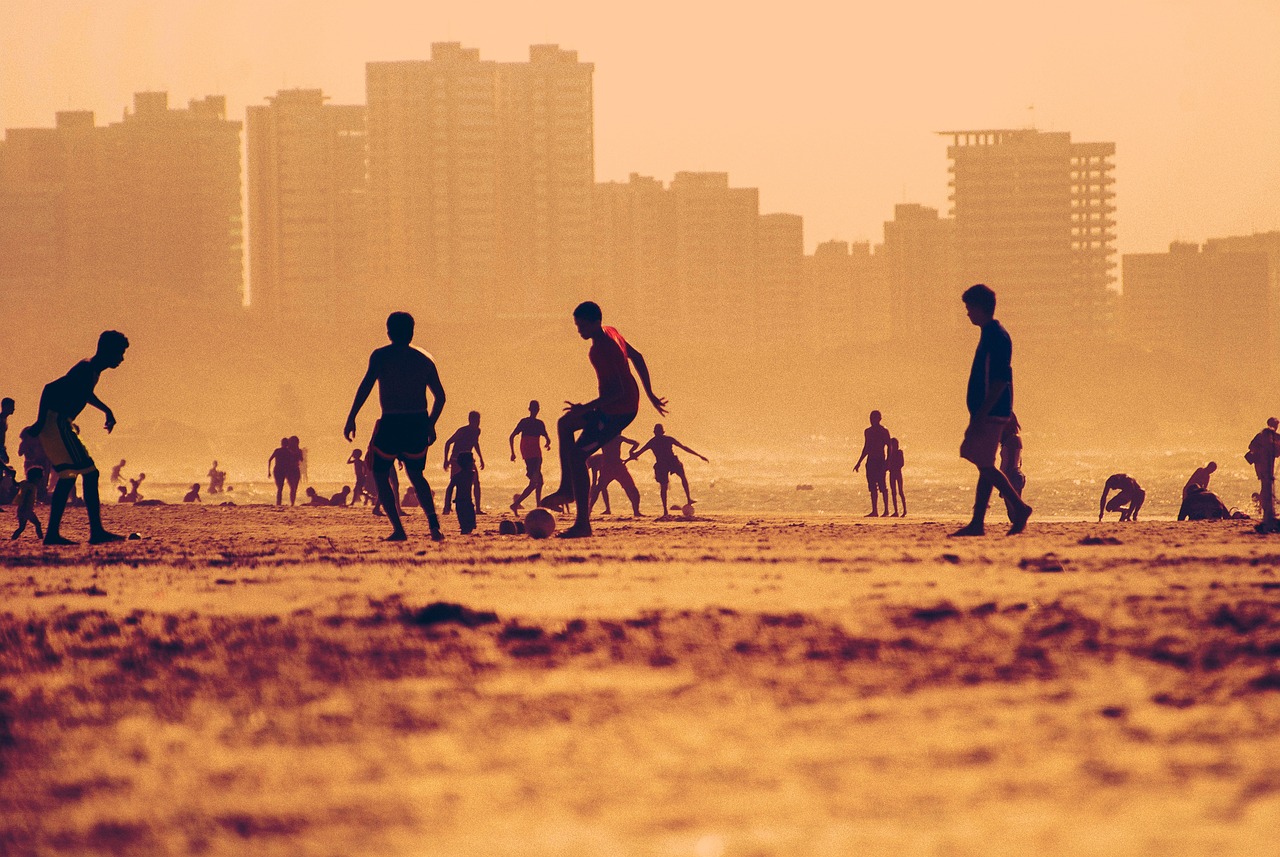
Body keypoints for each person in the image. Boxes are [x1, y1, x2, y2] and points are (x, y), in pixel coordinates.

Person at [539, 302, 667, 538]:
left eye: (582, 325)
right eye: (577, 325)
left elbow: (617, 392)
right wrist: (649, 393)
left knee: (578, 455)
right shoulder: (610, 331)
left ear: (595, 322)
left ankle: (582, 524)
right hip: (616, 405)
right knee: (564, 424)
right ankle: (567, 489)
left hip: (618, 410)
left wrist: (585, 408)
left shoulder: (603, 348)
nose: (579, 330)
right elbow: (637, 357)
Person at [344, 311, 446, 542]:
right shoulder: (424, 359)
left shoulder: (381, 356)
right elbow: (440, 397)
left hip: (392, 421)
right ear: (412, 332)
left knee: (380, 474)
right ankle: (434, 525)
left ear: (388, 332)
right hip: (417, 421)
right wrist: (430, 424)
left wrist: (352, 417)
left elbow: (366, 386)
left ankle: (399, 530)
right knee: (416, 474)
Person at [23, 330, 129, 545]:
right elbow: (50, 388)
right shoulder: (86, 367)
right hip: (56, 423)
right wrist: (40, 421)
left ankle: (54, 534)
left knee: (68, 476)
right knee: (91, 473)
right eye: (120, 353)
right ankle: (96, 532)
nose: (122, 358)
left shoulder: (92, 371)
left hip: (61, 424)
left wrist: (107, 410)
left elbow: (84, 393)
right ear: (108, 351)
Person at [951, 285, 1032, 537]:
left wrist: (982, 414)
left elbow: (1000, 379)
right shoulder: (990, 334)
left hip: (992, 411)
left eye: (968, 308)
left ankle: (1019, 508)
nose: (967, 314)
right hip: (991, 411)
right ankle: (977, 522)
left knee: (983, 462)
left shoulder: (996, 336)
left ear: (979, 307)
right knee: (984, 463)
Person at [629, 423, 707, 519]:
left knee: (665, 486)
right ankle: (685, 500)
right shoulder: (666, 439)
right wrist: (699, 455)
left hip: (664, 463)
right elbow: (684, 447)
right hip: (669, 462)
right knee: (672, 482)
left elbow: (638, 453)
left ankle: (667, 509)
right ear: (662, 432)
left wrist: (630, 456)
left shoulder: (653, 441)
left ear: (655, 432)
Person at [509, 400, 552, 512]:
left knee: (539, 482)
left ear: (538, 410)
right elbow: (512, 436)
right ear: (530, 409)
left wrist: (547, 444)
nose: (534, 411)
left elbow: (547, 438)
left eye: (536, 409)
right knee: (535, 482)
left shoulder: (539, 423)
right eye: (533, 409)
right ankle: (518, 504)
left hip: (535, 453)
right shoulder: (524, 422)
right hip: (531, 453)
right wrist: (512, 453)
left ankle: (538, 506)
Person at [442, 411, 485, 515]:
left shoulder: (477, 431)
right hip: (457, 458)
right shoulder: (462, 431)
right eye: (475, 420)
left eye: (478, 420)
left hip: (468, 459)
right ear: (470, 420)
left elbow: (475, 443)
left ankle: (478, 509)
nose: (477, 423)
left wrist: (481, 458)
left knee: (476, 481)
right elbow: (448, 442)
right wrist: (446, 460)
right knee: (453, 482)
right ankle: (447, 507)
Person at [589, 435, 643, 517]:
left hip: (609, 467)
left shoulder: (603, 438)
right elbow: (636, 443)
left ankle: (589, 511)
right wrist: (631, 452)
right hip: (616, 467)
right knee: (632, 489)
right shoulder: (618, 438)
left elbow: (589, 447)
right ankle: (636, 511)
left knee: (599, 488)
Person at [853, 410, 892, 517]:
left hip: (880, 461)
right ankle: (874, 510)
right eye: (871, 418)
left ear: (879, 419)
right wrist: (859, 462)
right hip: (870, 461)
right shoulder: (868, 432)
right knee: (872, 487)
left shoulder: (884, 431)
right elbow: (866, 447)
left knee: (882, 486)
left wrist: (888, 462)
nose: (871, 420)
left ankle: (886, 510)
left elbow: (889, 446)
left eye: (874, 418)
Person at [1246, 418, 1280, 532]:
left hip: (1265, 466)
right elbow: (1251, 447)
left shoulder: (1266, 436)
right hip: (1264, 466)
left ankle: (1262, 508)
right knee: (1267, 487)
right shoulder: (1268, 436)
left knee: (1266, 487)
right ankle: (1265, 511)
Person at [11, 466, 44, 541]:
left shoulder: (24, 483)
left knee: (22, 527)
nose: (40, 481)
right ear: (35, 478)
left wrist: (13, 477)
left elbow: (15, 484)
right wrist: (26, 508)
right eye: (39, 479)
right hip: (26, 510)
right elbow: (26, 497)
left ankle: (13, 538)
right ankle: (41, 539)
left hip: (22, 509)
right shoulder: (31, 486)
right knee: (37, 524)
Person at [450, 451, 477, 535]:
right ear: (468, 463)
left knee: (468, 525)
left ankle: (465, 533)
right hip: (463, 503)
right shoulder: (471, 474)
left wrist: (448, 503)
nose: (473, 463)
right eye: (472, 461)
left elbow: (449, 489)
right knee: (466, 525)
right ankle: (465, 533)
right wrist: (448, 504)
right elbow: (449, 489)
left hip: (464, 502)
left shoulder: (457, 476)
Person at [268, 437, 300, 506]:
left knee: (280, 488)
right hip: (283, 471)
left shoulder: (278, 451)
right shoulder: (288, 452)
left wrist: (269, 472)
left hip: (278, 470)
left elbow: (270, 460)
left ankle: (279, 503)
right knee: (281, 488)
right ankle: (281, 503)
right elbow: (294, 460)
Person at [887, 437, 906, 517]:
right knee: (893, 492)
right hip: (892, 473)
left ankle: (905, 510)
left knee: (900, 491)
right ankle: (896, 511)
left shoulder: (899, 452)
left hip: (897, 473)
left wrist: (893, 467)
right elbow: (888, 463)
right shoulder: (890, 453)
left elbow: (902, 463)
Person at [0, 397, 14, 472]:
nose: (14, 409)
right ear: (5, 407)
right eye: (12, 406)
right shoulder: (1, 419)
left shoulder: (4, 419)